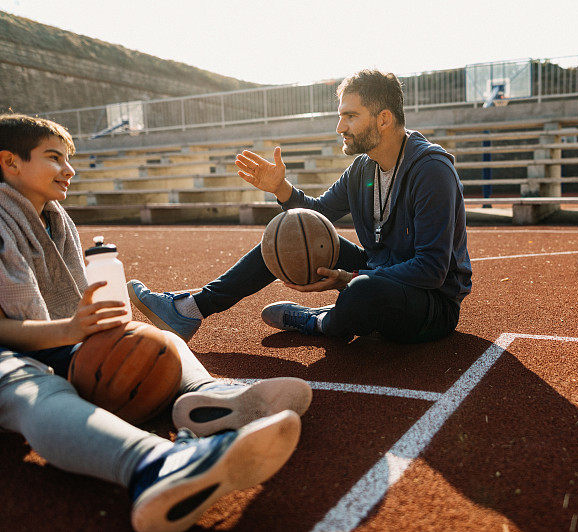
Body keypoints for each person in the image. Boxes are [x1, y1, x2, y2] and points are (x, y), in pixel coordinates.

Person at [0, 114, 313, 532]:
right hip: (15, 350)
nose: (69, 169)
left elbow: (73, 318)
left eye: (69, 158)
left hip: (52, 338)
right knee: (33, 386)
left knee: (155, 340)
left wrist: (93, 329)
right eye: (55, 158)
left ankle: (209, 398)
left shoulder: (54, 218)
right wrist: (71, 332)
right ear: (9, 161)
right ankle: (155, 464)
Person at [129, 69, 472, 344]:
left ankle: (318, 322)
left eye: (350, 116)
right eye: (341, 116)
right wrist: (281, 189)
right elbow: (317, 215)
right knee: (290, 234)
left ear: (383, 119)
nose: (340, 127)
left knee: (363, 291)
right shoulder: (362, 170)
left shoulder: (431, 170)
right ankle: (190, 309)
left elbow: (431, 269)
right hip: (379, 271)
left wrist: (351, 278)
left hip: (431, 302)